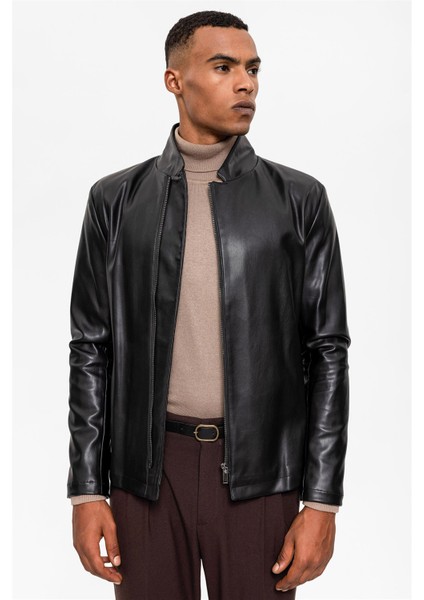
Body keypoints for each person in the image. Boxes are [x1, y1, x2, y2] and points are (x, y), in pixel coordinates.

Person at [67, 10, 351, 599]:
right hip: (145, 476)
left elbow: (327, 351)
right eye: (223, 67)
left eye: (253, 69)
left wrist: (322, 501)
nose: (245, 83)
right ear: (175, 81)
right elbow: (90, 349)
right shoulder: (115, 200)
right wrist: (87, 490)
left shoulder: (299, 200)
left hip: (261, 475)